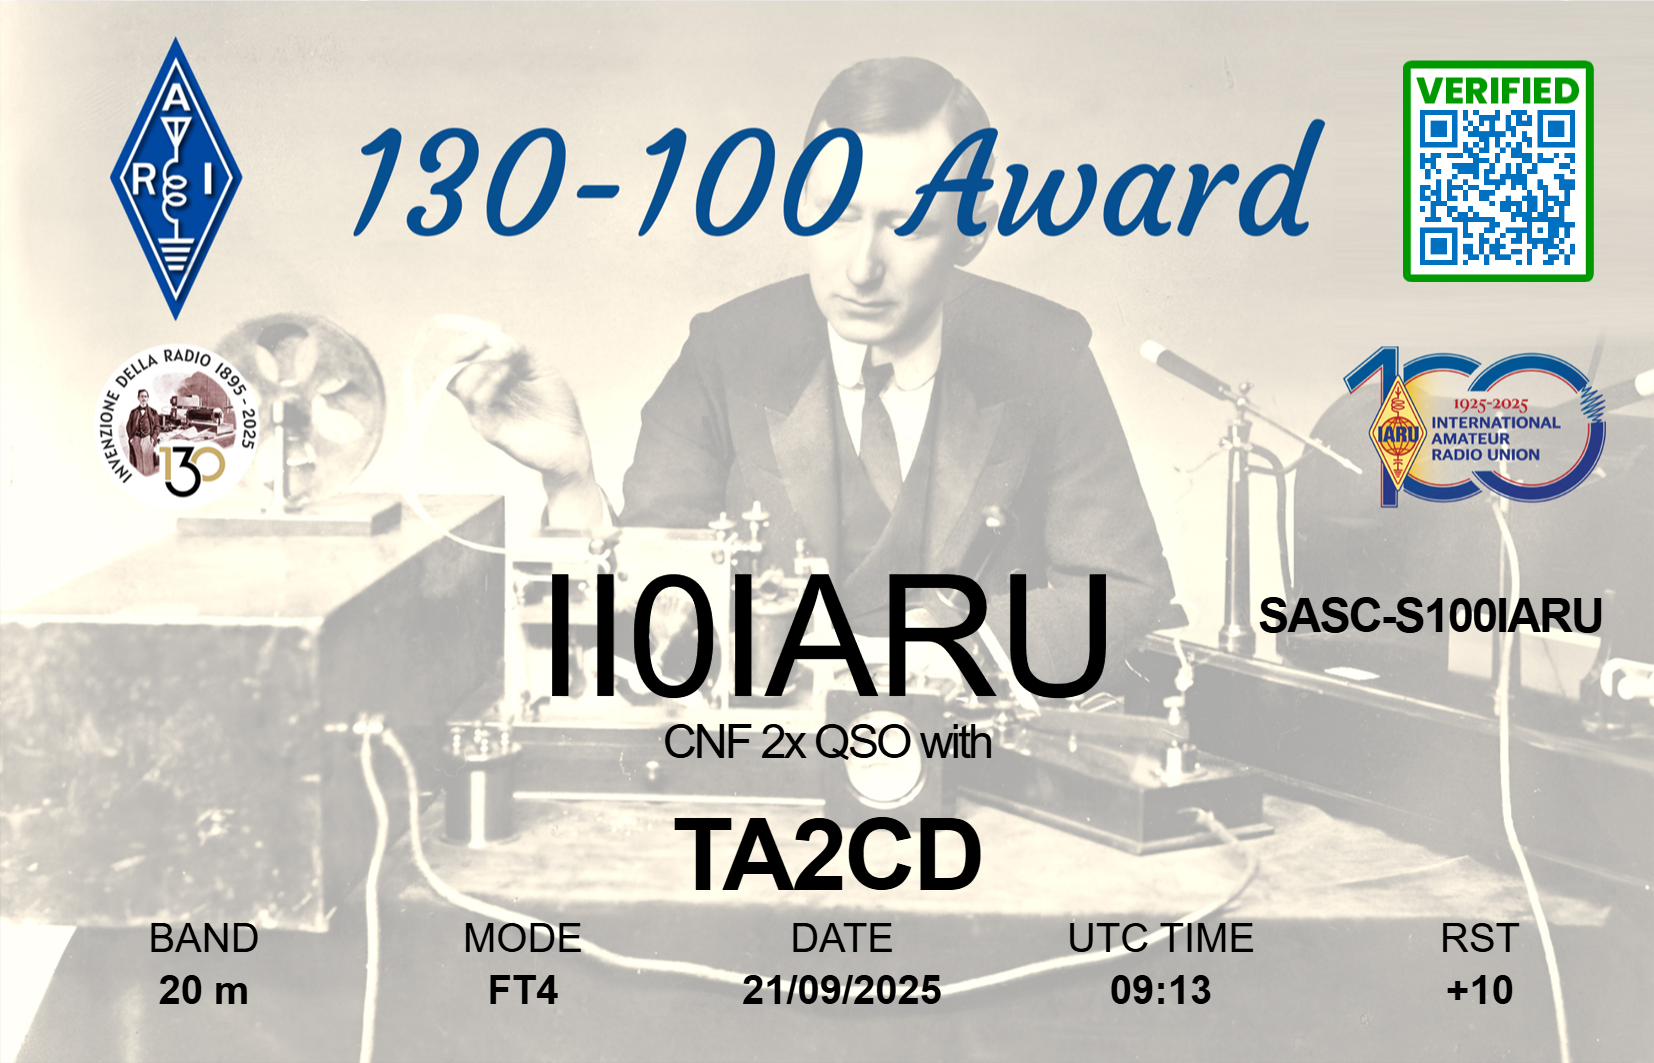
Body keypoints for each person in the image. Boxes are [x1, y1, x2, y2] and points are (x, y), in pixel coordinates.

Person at [447, 57, 1175, 684]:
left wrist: (945, 657)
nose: (861, 268)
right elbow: (649, 620)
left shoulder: (1044, 353)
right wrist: (571, 481)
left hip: (974, 765)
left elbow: (1125, 589)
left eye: (909, 224)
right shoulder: (724, 351)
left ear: (972, 229)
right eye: (836, 214)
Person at [126, 388, 163, 477]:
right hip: (136, 439)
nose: (144, 398)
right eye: (142, 396)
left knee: (148, 462)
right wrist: (131, 438)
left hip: (148, 439)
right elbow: (128, 426)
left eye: (145, 396)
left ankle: (148, 479)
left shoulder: (153, 412)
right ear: (138, 398)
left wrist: (153, 438)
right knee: (138, 462)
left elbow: (158, 427)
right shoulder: (133, 412)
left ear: (148, 398)